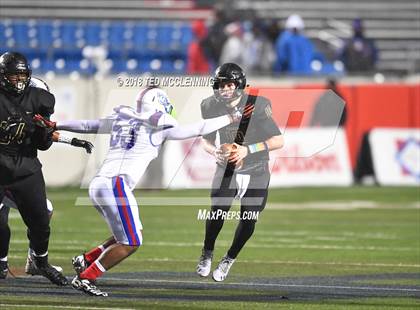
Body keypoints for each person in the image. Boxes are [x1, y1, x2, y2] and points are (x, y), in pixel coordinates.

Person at [45, 86, 242, 296]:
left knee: (131, 233)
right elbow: (198, 127)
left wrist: (57, 124)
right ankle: (87, 277)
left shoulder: (123, 118)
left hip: (99, 184)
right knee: (131, 242)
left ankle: (86, 260)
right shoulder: (159, 126)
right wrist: (230, 117)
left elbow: (88, 124)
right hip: (117, 186)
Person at [196, 63, 284, 282]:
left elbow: (278, 141)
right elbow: (205, 141)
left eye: (229, 84)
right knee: (218, 209)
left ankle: (229, 258)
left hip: (256, 167)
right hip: (228, 165)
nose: (224, 89)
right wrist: (213, 150)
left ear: (239, 84)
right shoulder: (209, 105)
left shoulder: (257, 104)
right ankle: (207, 252)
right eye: (220, 84)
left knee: (249, 218)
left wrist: (247, 149)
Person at [0, 77, 94, 279]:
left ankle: (34, 259)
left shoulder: (30, 106)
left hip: (18, 171)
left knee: (43, 212)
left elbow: (44, 131)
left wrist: (73, 140)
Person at [0, 51, 67, 285]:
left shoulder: (39, 98)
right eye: (12, 75)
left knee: (40, 220)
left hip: (26, 165)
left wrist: (43, 132)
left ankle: (40, 261)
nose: (18, 80)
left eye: (21, 75)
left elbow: (43, 145)